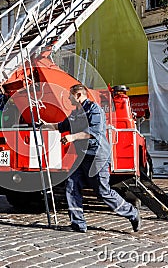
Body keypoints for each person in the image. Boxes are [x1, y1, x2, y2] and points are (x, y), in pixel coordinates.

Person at [42, 84, 141, 233]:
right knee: (71, 185)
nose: (69, 99)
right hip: (83, 156)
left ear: (78, 95)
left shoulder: (95, 110)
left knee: (102, 192)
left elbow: (93, 132)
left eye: (70, 96)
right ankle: (78, 224)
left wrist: (72, 137)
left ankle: (132, 213)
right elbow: (62, 126)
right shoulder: (76, 113)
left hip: (97, 156)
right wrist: (45, 125)